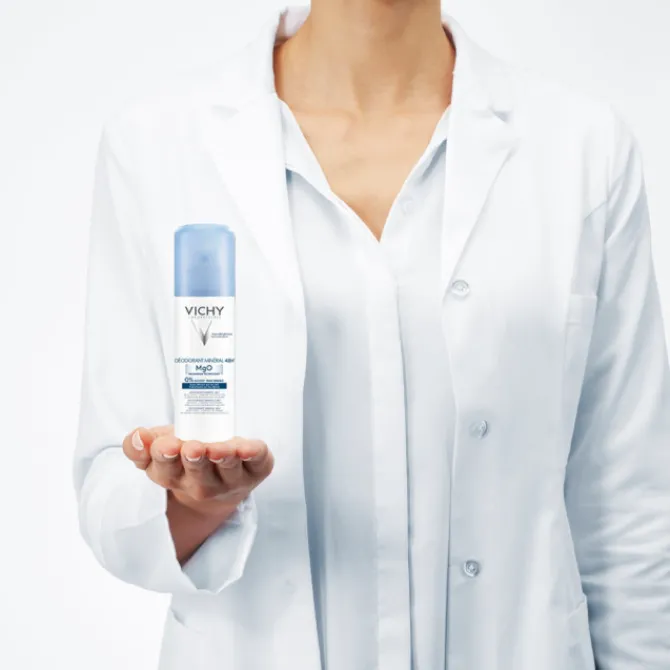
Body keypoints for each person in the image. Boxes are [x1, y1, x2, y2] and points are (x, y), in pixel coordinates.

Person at [73, 2, 670, 669]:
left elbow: (629, 509)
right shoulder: (157, 148)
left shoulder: (582, 150)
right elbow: (110, 493)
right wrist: (194, 503)